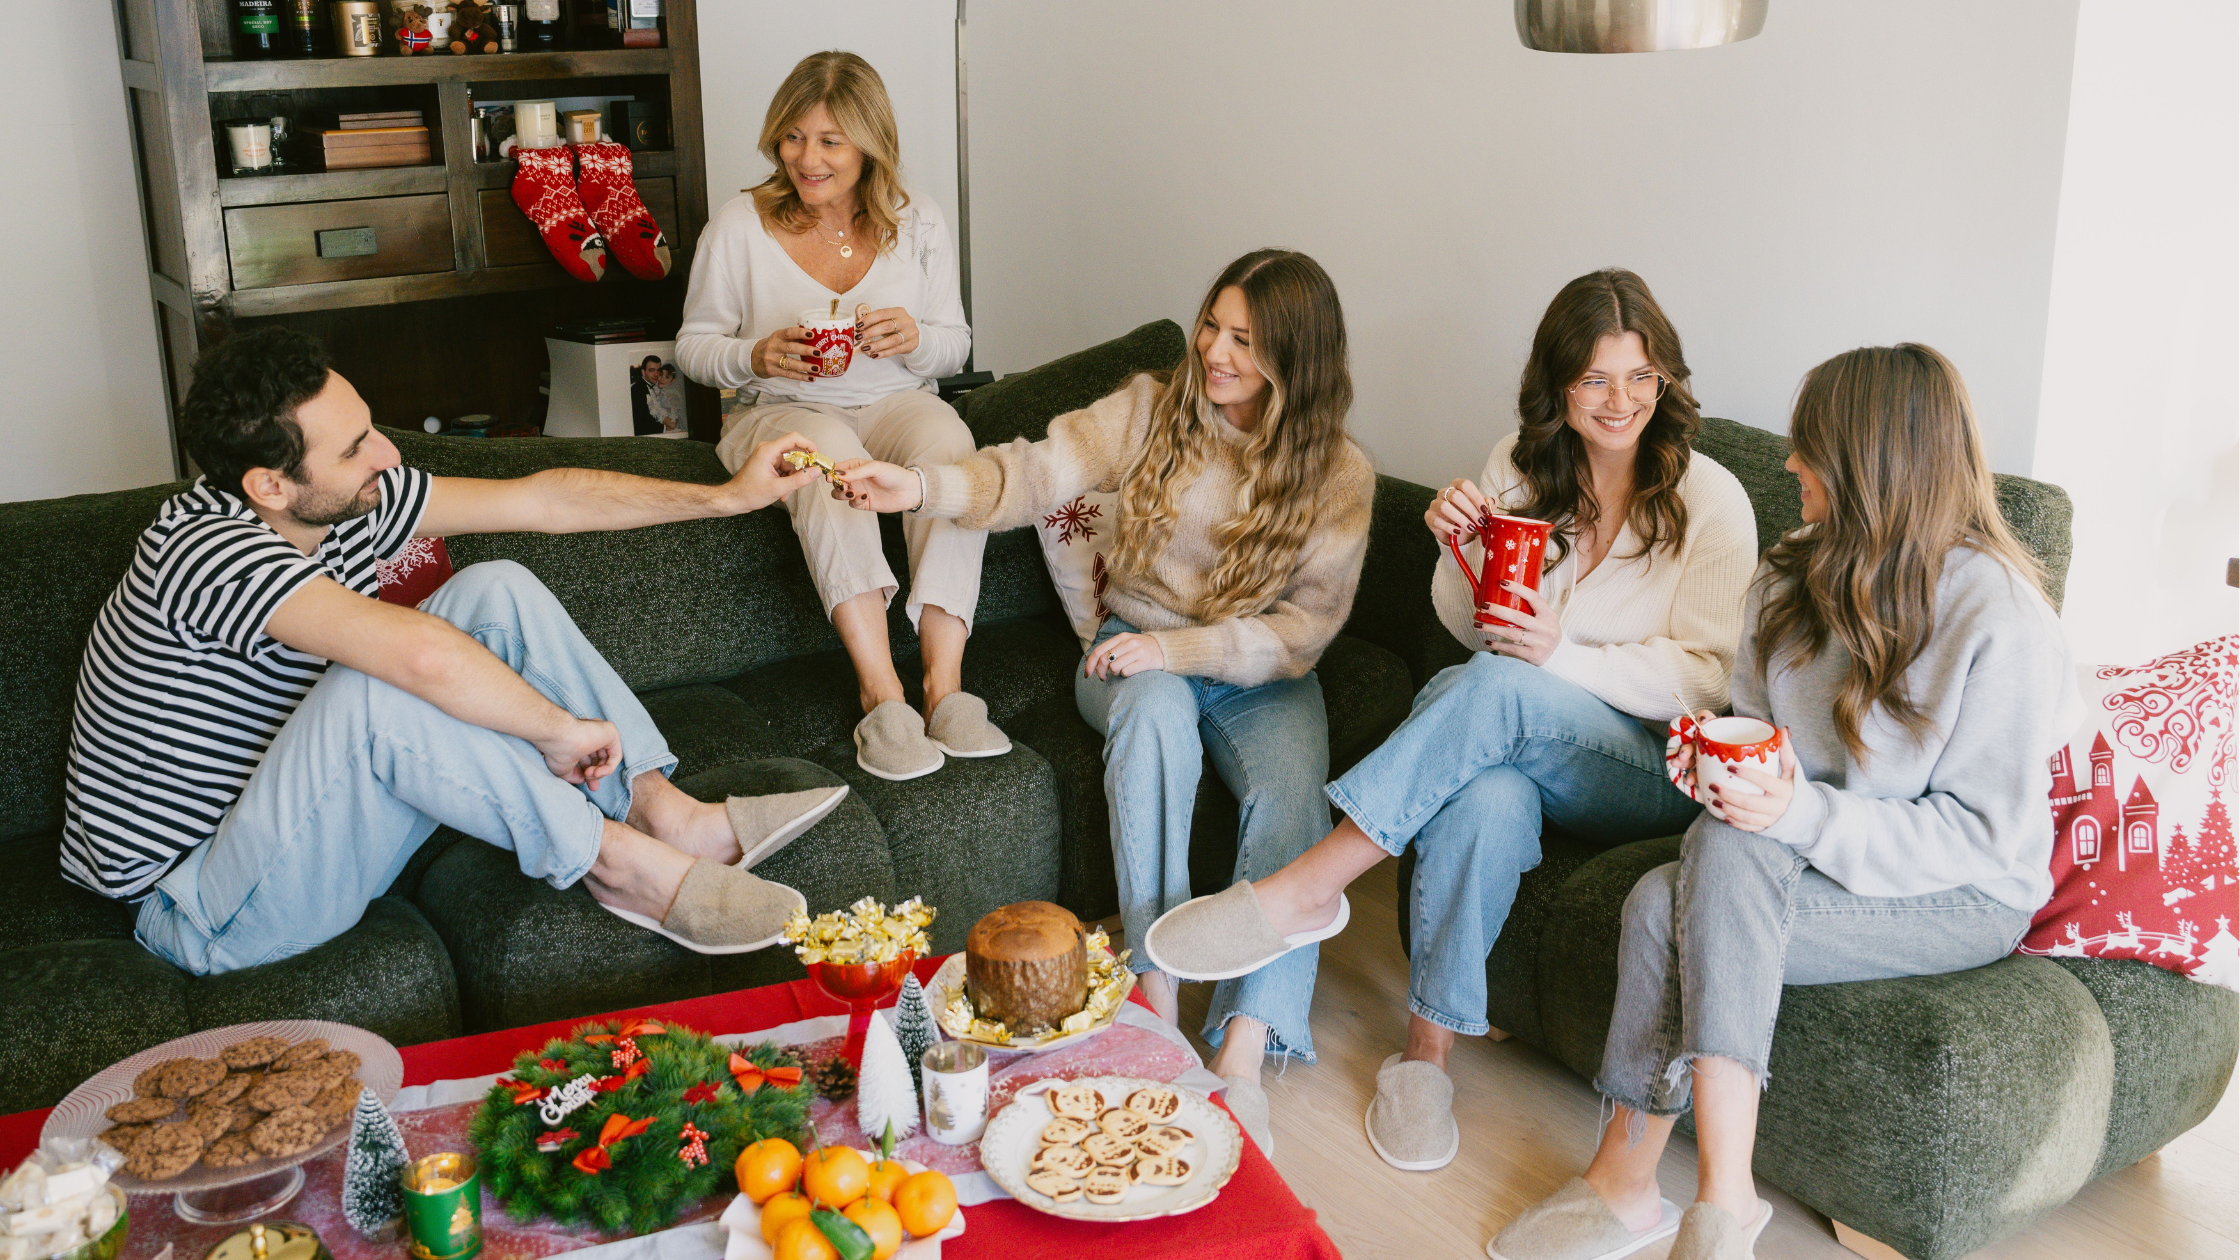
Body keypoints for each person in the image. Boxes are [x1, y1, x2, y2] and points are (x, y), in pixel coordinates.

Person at [1139, 269, 1756, 1171]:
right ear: (1559, 386)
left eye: (1640, 378)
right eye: (1594, 380)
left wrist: (1560, 656)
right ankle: (1426, 1057)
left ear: (1666, 381)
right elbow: (1477, 629)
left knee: (1498, 690)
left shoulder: (1711, 501)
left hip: (1645, 766)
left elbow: (1706, 681)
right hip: (1518, 738)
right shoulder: (1521, 461)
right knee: (1488, 795)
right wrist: (1459, 551)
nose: (1620, 402)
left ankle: (1310, 884)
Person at [1487, 344, 2074, 1260]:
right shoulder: (1789, 572)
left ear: (1874, 465)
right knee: (1666, 893)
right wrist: (1709, 771)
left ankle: (1683, 1194)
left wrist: (1791, 815)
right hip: (1797, 850)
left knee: (1693, 884)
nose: (1791, 464)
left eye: (1810, 449)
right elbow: (1752, 732)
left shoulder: (1998, 615)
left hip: (1962, 887)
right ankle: (1678, 1196)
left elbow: (1978, 834)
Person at [61, 327, 850, 976]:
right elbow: (421, 658)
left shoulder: (335, 504)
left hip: (294, 828)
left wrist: (725, 498)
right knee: (378, 687)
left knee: (493, 588)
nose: (387, 456)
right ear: (269, 485)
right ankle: (618, 866)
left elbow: (545, 499)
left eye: (369, 428)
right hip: (202, 908)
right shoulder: (206, 552)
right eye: (355, 448)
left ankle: (662, 812)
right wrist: (557, 731)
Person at [836, 249, 1375, 1151]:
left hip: (1253, 669)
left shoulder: (1340, 476)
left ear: (1299, 359)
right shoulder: (1152, 407)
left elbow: (1302, 635)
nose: (1215, 350)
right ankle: (1154, 997)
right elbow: (1035, 470)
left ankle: (1245, 1049)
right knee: (1158, 714)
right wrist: (924, 487)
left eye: (1245, 339)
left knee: (1296, 794)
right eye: (1213, 324)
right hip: (1129, 654)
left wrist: (1180, 646)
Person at [675, 50, 1001, 783]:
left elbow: (956, 343)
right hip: (781, 408)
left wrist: (918, 340)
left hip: (895, 401)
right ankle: (880, 691)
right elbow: (694, 349)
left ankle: (944, 686)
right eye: (793, 137)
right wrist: (755, 357)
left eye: (830, 141)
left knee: (952, 444)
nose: (807, 158)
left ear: (869, 143)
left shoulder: (918, 220)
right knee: (821, 449)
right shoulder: (739, 225)